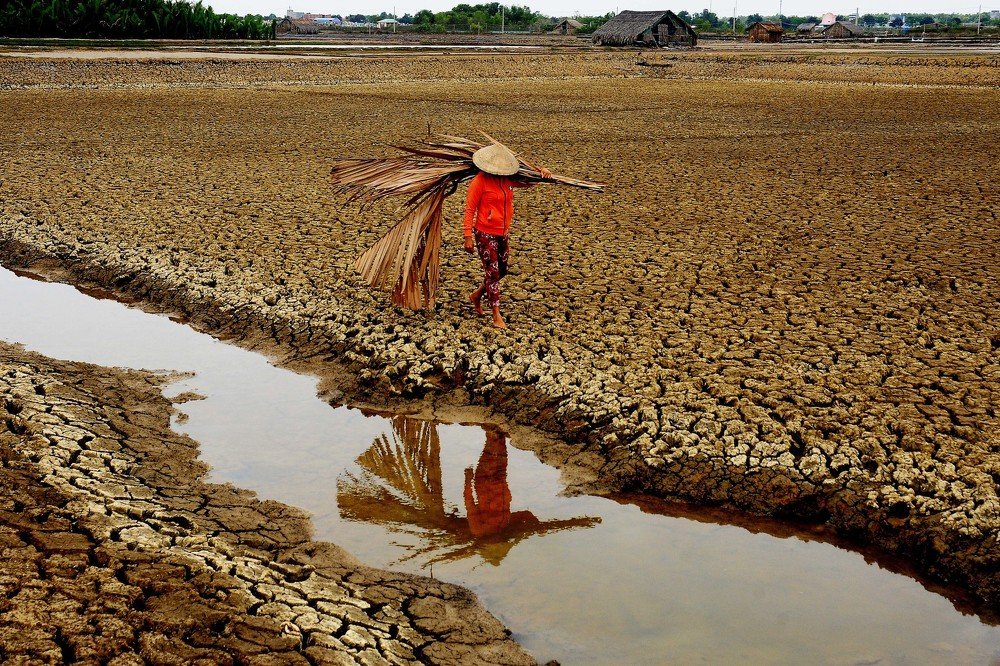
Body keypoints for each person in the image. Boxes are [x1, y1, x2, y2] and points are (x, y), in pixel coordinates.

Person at [463, 143, 551, 329]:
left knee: (501, 270)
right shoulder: (479, 182)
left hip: (502, 233)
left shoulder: (507, 180)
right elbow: (470, 209)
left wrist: (540, 172)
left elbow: (528, 183)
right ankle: (496, 315)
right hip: (484, 233)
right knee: (493, 273)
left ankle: (477, 295)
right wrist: (467, 236)